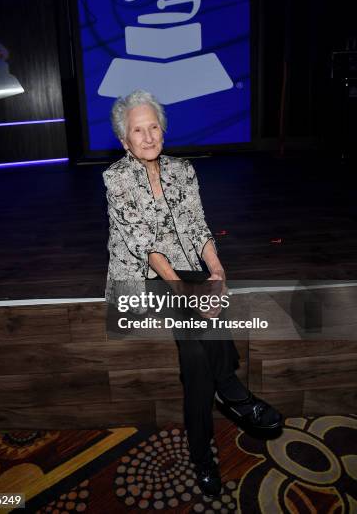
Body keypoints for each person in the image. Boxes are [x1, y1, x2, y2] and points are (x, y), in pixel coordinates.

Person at [103, 90, 282, 497]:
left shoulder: (183, 171)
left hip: (185, 269)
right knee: (201, 330)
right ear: (124, 141)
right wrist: (190, 292)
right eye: (138, 130)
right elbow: (148, 247)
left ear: (162, 130)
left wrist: (217, 272)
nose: (148, 137)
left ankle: (205, 447)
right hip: (142, 277)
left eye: (154, 127)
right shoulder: (115, 178)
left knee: (197, 351)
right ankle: (232, 394)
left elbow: (199, 228)